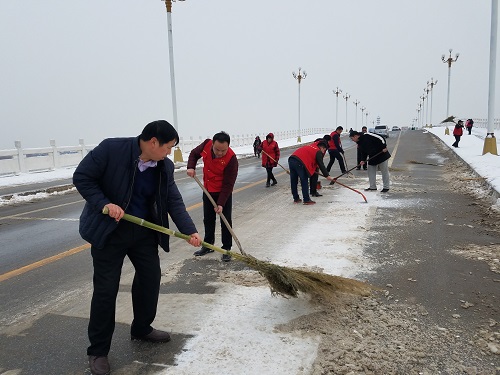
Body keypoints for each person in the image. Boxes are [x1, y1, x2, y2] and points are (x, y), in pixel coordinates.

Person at [73, 120, 202, 375]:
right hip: (109, 231)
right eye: (168, 147)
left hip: (143, 231)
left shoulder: (163, 165)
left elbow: (173, 199)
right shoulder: (112, 150)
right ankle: (98, 351)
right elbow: (82, 177)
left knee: (150, 278)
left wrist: (189, 231)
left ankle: (141, 327)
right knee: (106, 290)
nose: (169, 153)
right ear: (153, 142)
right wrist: (105, 203)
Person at [187, 131, 238, 262]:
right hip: (208, 190)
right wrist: (191, 167)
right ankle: (208, 245)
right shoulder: (206, 144)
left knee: (225, 221)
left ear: (228, 147)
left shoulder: (231, 159)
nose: (219, 153)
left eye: (223, 150)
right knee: (208, 219)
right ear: (212, 144)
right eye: (217, 149)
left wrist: (221, 203)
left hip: (223, 193)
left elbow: (228, 184)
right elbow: (194, 154)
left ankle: (227, 248)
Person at [288, 140, 334, 205]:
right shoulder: (318, 151)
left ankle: (296, 198)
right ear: (322, 148)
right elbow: (321, 164)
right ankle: (306, 199)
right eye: (324, 150)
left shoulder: (311, 146)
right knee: (304, 180)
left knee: (294, 180)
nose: (324, 152)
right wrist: (327, 175)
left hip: (291, 159)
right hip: (300, 163)